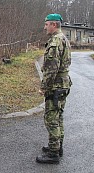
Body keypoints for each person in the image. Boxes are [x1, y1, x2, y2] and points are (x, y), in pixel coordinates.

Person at [36, 14, 72, 164]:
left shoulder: (55, 41)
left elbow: (51, 68)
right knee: (58, 117)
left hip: (56, 86)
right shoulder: (63, 38)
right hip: (63, 84)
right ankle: (57, 146)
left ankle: (53, 153)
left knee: (51, 119)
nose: (44, 27)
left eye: (46, 24)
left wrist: (44, 87)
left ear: (54, 25)